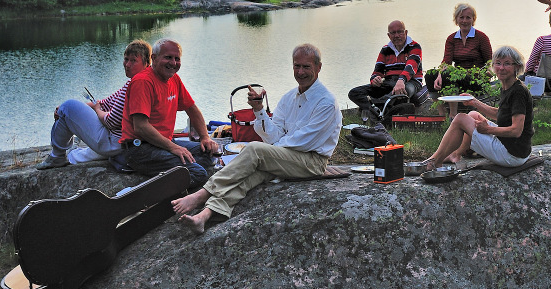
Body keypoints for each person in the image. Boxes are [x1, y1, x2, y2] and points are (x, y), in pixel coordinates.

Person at [172, 44, 342, 235]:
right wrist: (259, 110)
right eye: (297, 66)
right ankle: (204, 215)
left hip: (312, 162)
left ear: (319, 67)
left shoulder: (326, 102)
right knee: (249, 176)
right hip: (288, 158)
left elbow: (304, 142)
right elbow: (273, 135)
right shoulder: (289, 98)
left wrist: (264, 151)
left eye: (306, 67)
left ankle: (201, 194)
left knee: (254, 150)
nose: (300, 72)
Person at [35, 40, 152, 170]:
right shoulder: (137, 82)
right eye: (126, 59)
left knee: (68, 106)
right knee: (67, 118)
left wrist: (95, 110)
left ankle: (57, 156)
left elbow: (111, 122)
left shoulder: (136, 85)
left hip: (114, 142)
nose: (127, 64)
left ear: (147, 63)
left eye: (133, 61)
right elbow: (105, 103)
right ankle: (64, 151)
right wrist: (89, 108)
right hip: (121, 144)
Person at [119, 38, 218, 189]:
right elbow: (140, 127)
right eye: (168, 57)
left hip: (163, 144)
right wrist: (173, 148)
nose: (173, 63)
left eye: (177, 59)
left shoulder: (174, 79)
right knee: (197, 173)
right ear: (154, 58)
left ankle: (167, 171)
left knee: (208, 154)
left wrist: (205, 137)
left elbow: (191, 109)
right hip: (139, 150)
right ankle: (151, 194)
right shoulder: (143, 81)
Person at [422, 45, 533, 169]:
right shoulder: (508, 85)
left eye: (507, 64)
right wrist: (474, 102)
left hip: (512, 155)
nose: (501, 68)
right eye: (498, 63)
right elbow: (500, 114)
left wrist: (487, 130)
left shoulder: (518, 92)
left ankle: (434, 161)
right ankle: (455, 154)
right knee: (473, 115)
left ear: (516, 67)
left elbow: (516, 131)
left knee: (460, 119)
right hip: (514, 148)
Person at [348, 20, 427, 123]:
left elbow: (411, 67)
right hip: (389, 82)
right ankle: (379, 111)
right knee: (354, 93)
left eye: (400, 32)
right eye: (393, 33)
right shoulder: (385, 50)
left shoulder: (415, 47)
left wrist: (401, 81)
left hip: (410, 82)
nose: (397, 35)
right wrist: (375, 79)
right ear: (389, 35)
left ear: (406, 32)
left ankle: (374, 110)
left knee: (402, 91)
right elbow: (377, 71)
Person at [431, 3, 493, 116]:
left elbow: (489, 62)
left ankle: (453, 115)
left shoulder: (481, 38)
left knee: (451, 73)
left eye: (468, 17)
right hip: (458, 76)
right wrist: (439, 75)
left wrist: (488, 72)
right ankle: (441, 114)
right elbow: (446, 61)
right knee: (430, 75)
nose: (464, 21)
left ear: (473, 19)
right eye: (461, 17)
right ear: (456, 19)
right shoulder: (451, 39)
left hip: (476, 78)